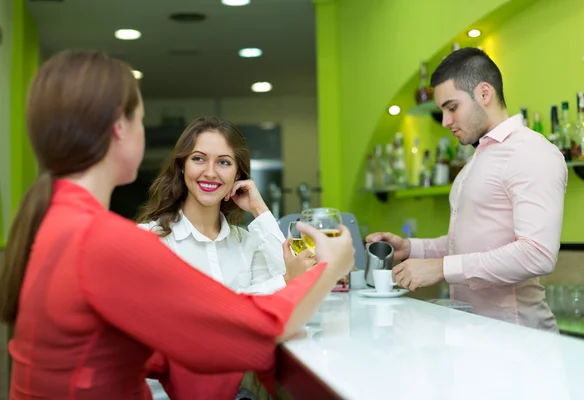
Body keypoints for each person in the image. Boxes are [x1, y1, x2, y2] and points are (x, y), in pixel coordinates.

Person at [0, 49, 355, 400]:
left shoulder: (59, 223)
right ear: (119, 128)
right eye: (141, 119)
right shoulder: (103, 241)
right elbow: (253, 333)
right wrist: (329, 268)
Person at [367, 47, 567, 331]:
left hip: (519, 340)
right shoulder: (479, 158)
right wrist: (412, 248)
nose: (446, 121)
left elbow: (537, 254)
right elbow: (468, 242)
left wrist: (441, 268)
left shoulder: (531, 152)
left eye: (452, 108)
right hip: (472, 334)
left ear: (484, 94)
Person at [136, 116, 315, 399]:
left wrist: (260, 210)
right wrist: (284, 281)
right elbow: (205, 322)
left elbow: (295, 306)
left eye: (223, 162)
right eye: (198, 159)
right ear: (182, 166)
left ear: (238, 175)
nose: (210, 172)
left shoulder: (247, 241)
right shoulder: (148, 239)